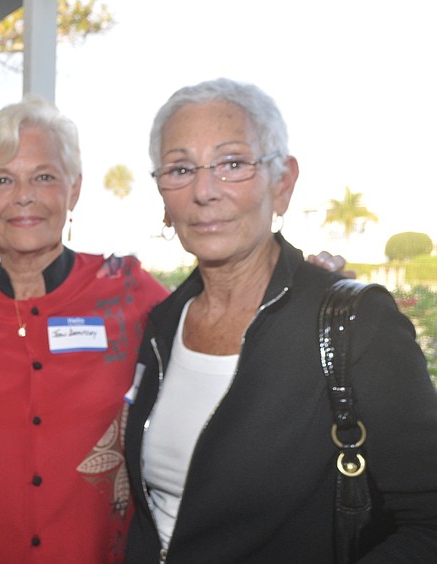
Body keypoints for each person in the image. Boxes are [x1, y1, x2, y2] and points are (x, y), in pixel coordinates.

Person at [124, 78, 437, 563]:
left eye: (232, 163)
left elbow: (427, 523)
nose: (204, 191)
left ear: (283, 182)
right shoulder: (163, 323)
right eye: (181, 168)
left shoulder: (354, 324)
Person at [0, 97, 171, 562]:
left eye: (43, 176)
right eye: (2, 180)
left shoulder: (127, 290)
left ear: (73, 190)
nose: (23, 195)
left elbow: (213, 332)